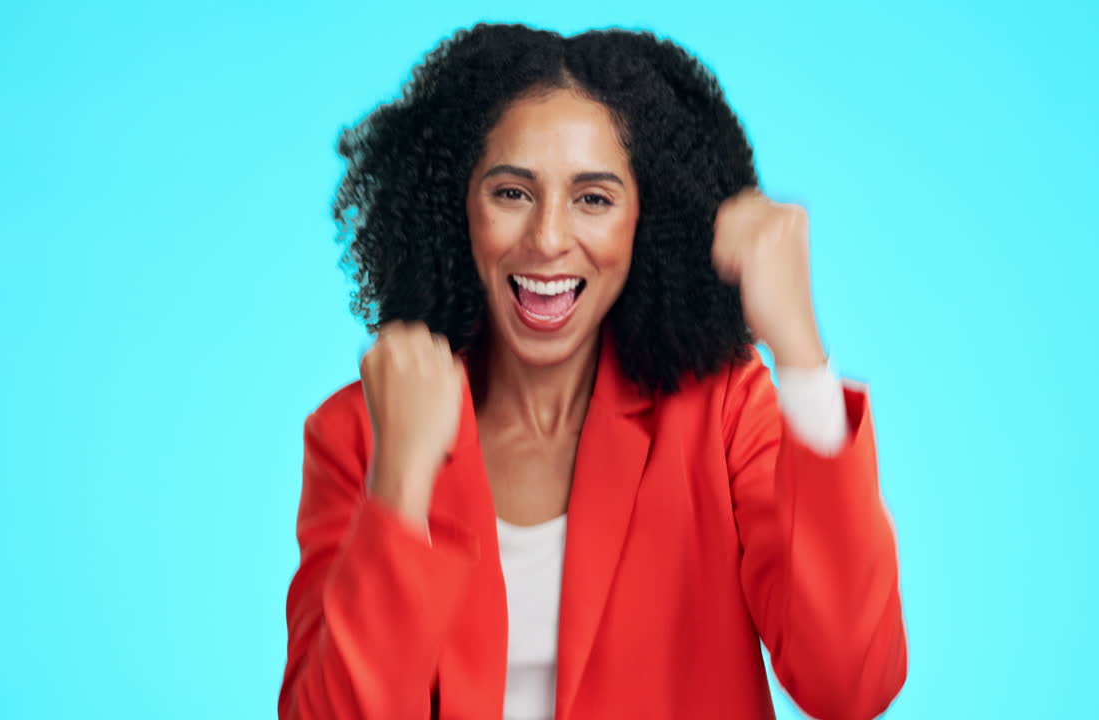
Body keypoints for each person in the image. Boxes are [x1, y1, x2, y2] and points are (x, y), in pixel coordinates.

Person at [279, 23, 907, 720]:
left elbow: (850, 683)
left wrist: (799, 354)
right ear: (455, 210)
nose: (548, 238)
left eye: (594, 199)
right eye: (512, 192)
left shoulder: (721, 412)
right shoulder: (359, 434)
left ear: (651, 220)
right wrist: (398, 486)